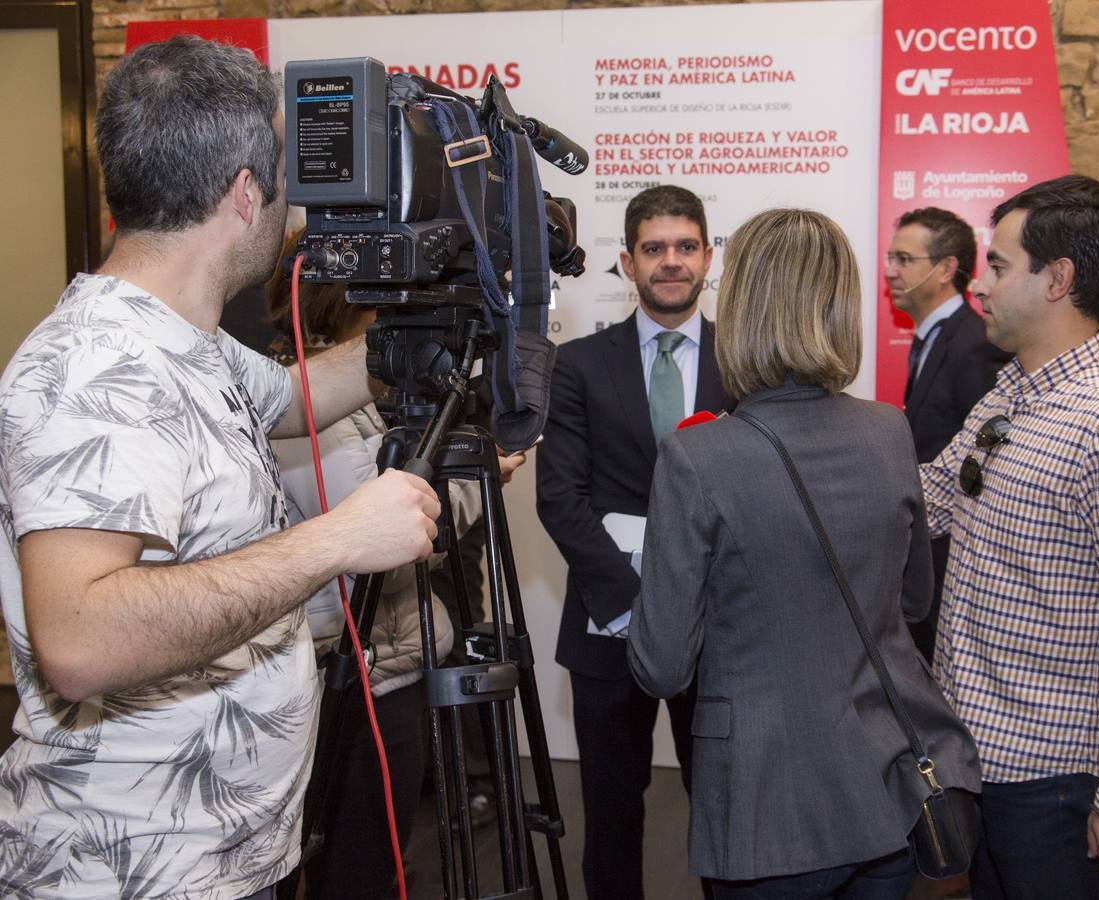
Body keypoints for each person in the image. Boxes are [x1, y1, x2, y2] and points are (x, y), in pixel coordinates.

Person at [0, 36, 440, 898]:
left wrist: (417, 326)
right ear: (246, 193)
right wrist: (336, 541)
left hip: (222, 858)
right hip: (133, 870)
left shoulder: (179, 339)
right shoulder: (100, 368)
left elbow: (287, 400)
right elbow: (80, 639)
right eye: (284, 177)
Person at [628, 208, 981, 897]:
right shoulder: (889, 431)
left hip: (765, 809)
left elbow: (662, 665)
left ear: (743, 307)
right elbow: (910, 603)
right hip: (887, 788)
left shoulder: (698, 455)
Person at [920, 175, 1099, 898]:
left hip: (1052, 784)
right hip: (984, 760)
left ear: (1059, 279)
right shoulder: (1013, 392)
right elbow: (929, 501)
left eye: (1000, 266)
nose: (980, 286)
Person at [263, 235, 523, 897]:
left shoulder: (298, 389)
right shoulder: (311, 410)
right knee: (360, 865)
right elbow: (390, 530)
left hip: (379, 659)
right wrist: (480, 480)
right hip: (364, 671)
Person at [536, 184, 734, 899]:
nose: (671, 262)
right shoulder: (580, 365)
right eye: (655, 248)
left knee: (728, 815)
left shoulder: (744, 361)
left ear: (709, 256)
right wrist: (632, 605)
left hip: (721, 628)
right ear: (627, 261)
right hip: (607, 624)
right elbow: (560, 498)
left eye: (685, 246)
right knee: (614, 814)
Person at [886, 207, 1010, 661]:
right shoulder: (936, 338)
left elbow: (986, 466)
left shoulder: (976, 346)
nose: (890, 271)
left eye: (904, 259)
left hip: (955, 568)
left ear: (945, 269)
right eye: (889, 257)